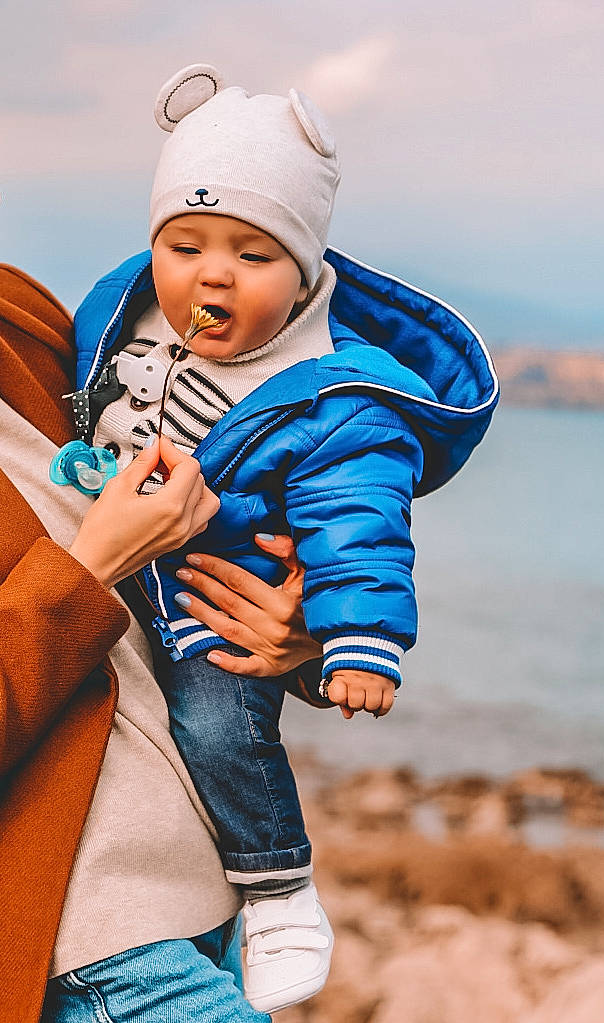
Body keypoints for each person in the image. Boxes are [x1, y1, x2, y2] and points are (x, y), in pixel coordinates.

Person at [61, 64, 499, 1013]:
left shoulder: (333, 393)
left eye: (252, 256)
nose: (210, 275)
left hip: (218, 596)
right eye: (184, 244)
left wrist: (353, 640)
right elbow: (78, 417)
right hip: (113, 614)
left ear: (305, 275)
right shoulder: (112, 315)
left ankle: (276, 883)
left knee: (218, 723)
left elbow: (360, 521)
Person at [0, 263, 324, 1023]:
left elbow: (163, 572)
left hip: (207, 895)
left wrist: (291, 632)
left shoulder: (29, 315)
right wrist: (88, 567)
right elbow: (100, 566)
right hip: (85, 940)